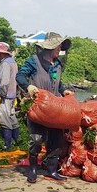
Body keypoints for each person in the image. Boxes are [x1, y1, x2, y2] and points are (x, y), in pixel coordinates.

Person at [16, 32, 73, 183]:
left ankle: (51, 170)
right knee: (37, 139)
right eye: (58, 46)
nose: (60, 49)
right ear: (51, 47)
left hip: (54, 109)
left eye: (61, 46)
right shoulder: (34, 61)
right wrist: (28, 86)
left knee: (56, 140)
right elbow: (20, 76)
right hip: (38, 107)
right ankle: (33, 169)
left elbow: (57, 83)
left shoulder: (58, 64)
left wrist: (63, 90)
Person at [0, 42, 20, 150]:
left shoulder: (5, 64)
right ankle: (16, 141)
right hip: (13, 95)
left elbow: (4, 81)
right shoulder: (13, 62)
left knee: (4, 118)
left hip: (6, 95)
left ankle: (7, 144)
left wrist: (0, 94)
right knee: (12, 116)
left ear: (0, 53)